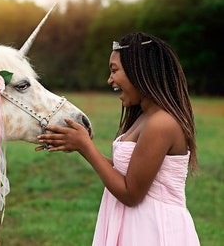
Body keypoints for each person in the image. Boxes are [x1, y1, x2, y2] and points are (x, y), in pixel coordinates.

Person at [36, 32, 200, 245]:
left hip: (153, 230)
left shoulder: (162, 123)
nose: (110, 79)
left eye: (114, 70)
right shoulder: (145, 117)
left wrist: (86, 147)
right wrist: (79, 144)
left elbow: (131, 193)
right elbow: (129, 175)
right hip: (136, 223)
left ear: (140, 71)